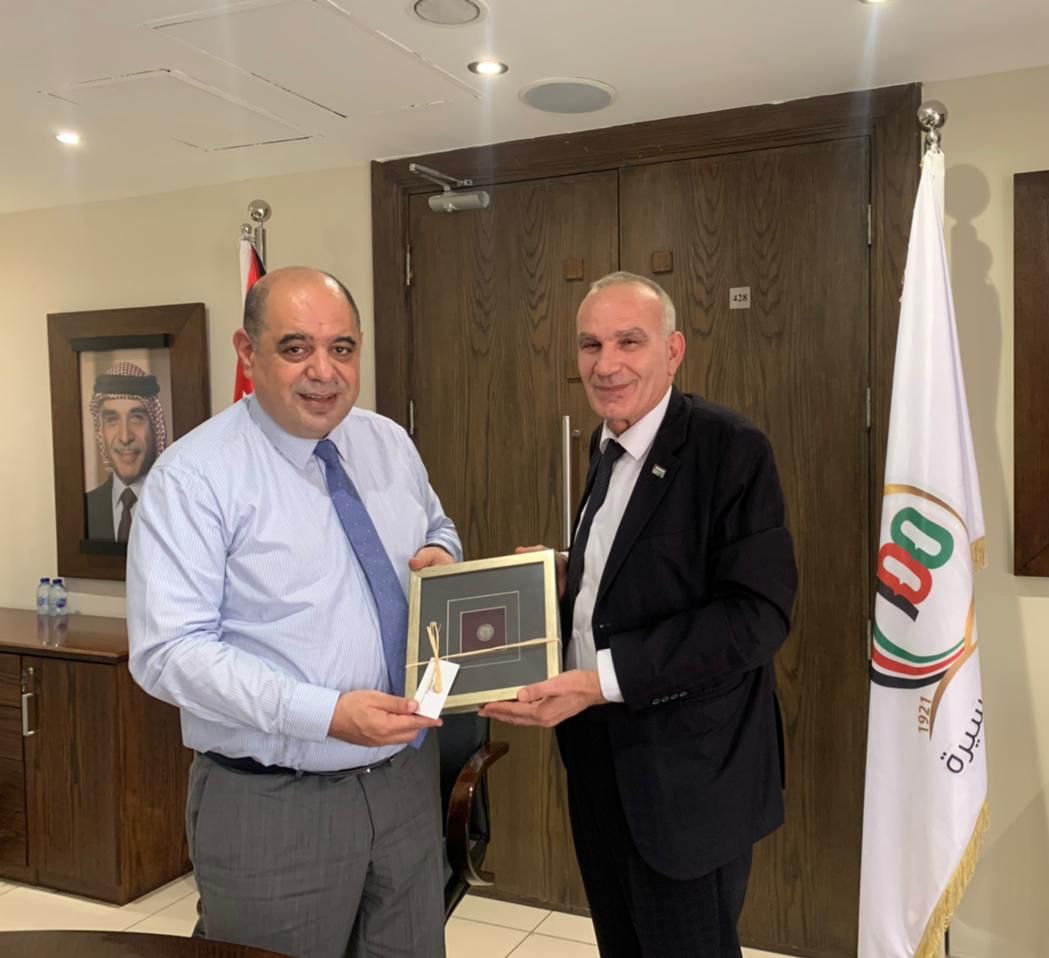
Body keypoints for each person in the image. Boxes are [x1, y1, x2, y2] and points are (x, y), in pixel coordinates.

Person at [128, 267, 461, 958]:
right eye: (295, 347)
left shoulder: (387, 442)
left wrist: (440, 550)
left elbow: (438, 524)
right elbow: (169, 653)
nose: (324, 372)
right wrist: (325, 713)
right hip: (275, 805)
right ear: (247, 353)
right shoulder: (195, 477)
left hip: (403, 785)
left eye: (342, 348)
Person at [482, 271, 797, 958]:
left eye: (630, 341)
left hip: (688, 782)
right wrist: (570, 571)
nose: (607, 364)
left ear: (673, 351)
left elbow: (756, 615)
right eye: (591, 344)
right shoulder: (607, 444)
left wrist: (601, 680)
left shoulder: (728, 448)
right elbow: (647, 564)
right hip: (600, 765)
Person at [85, 360, 167, 541]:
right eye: (112, 420)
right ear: (101, 431)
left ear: (155, 426)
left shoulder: (176, 505)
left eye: (137, 417)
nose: (125, 437)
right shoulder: (83, 508)